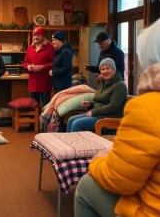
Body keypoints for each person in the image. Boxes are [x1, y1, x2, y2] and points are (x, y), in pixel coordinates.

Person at [74, 19, 160, 217]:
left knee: (86, 184)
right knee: (75, 120)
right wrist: (92, 106)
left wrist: (96, 160)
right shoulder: (104, 83)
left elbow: (121, 180)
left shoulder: (147, 107)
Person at [66, 58, 127, 132]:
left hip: (108, 118)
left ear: (114, 70)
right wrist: (90, 105)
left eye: (108, 68)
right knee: (71, 120)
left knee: (77, 124)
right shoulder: (103, 83)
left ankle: (77, 143)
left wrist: (94, 111)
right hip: (99, 115)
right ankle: (69, 143)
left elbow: (113, 107)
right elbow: (99, 101)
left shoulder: (120, 85)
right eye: (102, 69)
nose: (105, 71)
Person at [23, 27, 54, 107]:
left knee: (46, 105)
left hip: (44, 82)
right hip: (33, 82)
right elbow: (25, 61)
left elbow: (54, 63)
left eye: (38, 35)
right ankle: (34, 120)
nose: (36, 37)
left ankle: (45, 120)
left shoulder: (50, 47)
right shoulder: (30, 47)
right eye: (34, 35)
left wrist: (42, 67)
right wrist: (28, 66)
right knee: (33, 106)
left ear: (43, 36)